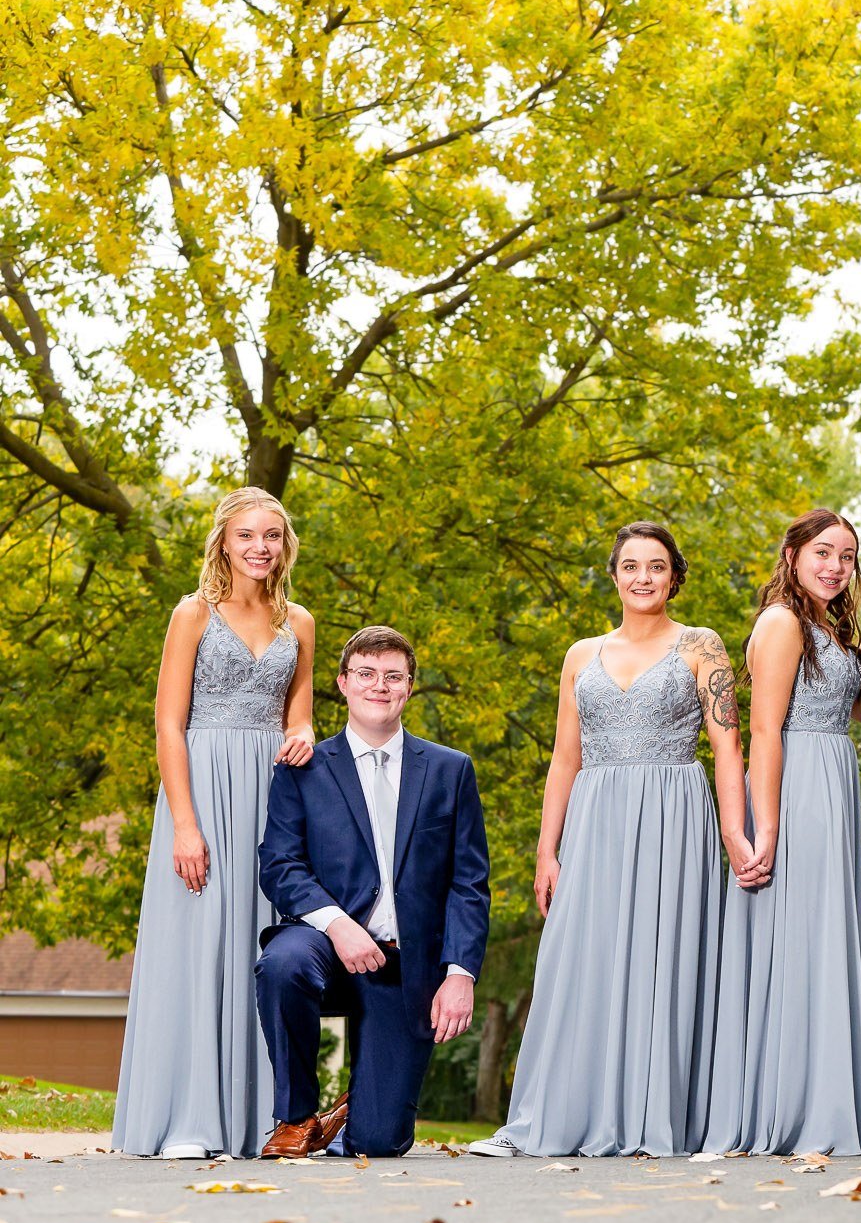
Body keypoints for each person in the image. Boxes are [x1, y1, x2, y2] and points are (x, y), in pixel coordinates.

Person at [470, 522, 744, 1158]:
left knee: (663, 955)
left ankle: (656, 1119)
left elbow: (728, 747)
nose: (643, 577)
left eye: (656, 566)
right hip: (594, 821)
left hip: (675, 816)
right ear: (615, 575)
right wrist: (546, 850)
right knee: (579, 960)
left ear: (675, 576)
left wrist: (734, 832)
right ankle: (553, 1117)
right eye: (631, 566)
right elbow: (565, 757)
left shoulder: (702, 646)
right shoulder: (580, 653)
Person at [114, 487, 316, 1160]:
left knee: (262, 949)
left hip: (274, 796)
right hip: (202, 787)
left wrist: (306, 731)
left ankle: (266, 1119)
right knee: (200, 946)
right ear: (224, 543)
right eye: (246, 536)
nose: (260, 547)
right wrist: (184, 824)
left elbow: (300, 713)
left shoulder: (301, 623)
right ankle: (190, 1118)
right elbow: (168, 723)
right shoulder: (193, 613)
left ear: (285, 545)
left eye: (272, 536)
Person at [253, 625, 489, 1158]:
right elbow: (280, 865)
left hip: (407, 965)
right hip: (324, 948)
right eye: (365, 674)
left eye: (392, 676)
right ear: (342, 683)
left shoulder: (451, 771)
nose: (378, 686)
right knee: (281, 965)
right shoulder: (303, 767)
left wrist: (460, 974)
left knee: (380, 1144)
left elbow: (469, 884)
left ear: (409, 687)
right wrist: (338, 925)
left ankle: (359, 1109)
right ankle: (295, 1117)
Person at [706, 509, 861, 1156]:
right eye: (822, 551)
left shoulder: (827, 628)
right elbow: (762, 729)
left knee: (820, 937)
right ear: (791, 554)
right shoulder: (783, 622)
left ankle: (822, 1098)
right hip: (796, 786)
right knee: (793, 935)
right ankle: (782, 1104)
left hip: (832, 780)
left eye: (846, 555)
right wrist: (770, 822)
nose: (835, 565)